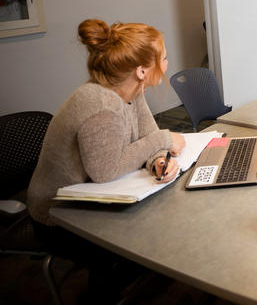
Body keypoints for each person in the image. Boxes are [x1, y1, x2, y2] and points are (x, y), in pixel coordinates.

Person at [29, 18, 186, 227]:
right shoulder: (102, 106)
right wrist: (164, 139)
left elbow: (147, 136)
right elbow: (106, 171)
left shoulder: (131, 87)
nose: (167, 64)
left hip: (92, 193)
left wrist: (158, 162)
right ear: (141, 71)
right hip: (58, 211)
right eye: (164, 58)